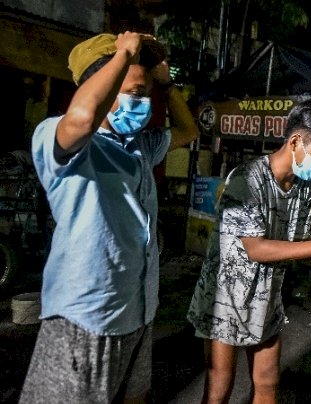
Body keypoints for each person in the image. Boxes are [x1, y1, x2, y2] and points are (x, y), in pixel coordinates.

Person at [21, 31, 200, 403]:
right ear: (101, 86)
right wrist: (123, 55)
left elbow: (189, 130)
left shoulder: (137, 149)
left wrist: (166, 87)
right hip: (86, 317)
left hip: (138, 309)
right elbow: (84, 118)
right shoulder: (59, 135)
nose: (142, 102)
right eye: (133, 92)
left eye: (145, 95)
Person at [186, 98, 311, 404]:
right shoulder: (246, 179)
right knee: (219, 388)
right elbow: (256, 249)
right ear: (296, 140)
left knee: (268, 383)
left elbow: (294, 245)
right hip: (225, 301)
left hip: (266, 300)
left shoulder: (302, 187)